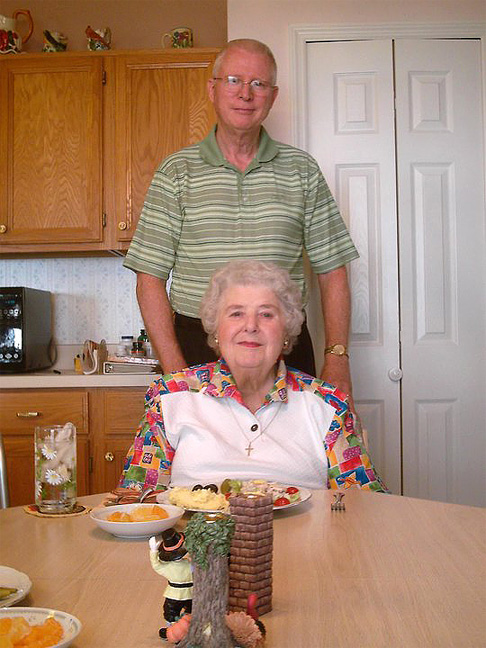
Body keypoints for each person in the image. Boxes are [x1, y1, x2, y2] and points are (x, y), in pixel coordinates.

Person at [123, 38, 358, 397]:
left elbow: (333, 271)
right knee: (203, 455)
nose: (245, 94)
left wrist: (337, 358)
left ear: (273, 96)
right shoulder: (175, 172)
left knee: (296, 454)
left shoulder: (302, 170)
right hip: (196, 350)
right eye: (233, 80)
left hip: (285, 350)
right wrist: (175, 373)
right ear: (213, 90)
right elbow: (150, 279)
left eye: (258, 84)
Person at [119, 261, 386, 493]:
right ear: (216, 329)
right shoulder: (170, 396)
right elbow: (136, 500)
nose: (250, 326)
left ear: (287, 331)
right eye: (236, 313)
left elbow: (364, 502)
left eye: (266, 314)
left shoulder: (329, 404)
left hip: (306, 546)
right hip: (195, 546)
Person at [148, 528, 193, 640]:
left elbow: (156, 565)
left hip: (178, 594)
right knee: (174, 612)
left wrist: (153, 552)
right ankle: (174, 631)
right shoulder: (190, 564)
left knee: (172, 612)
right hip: (187, 593)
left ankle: (181, 629)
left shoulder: (170, 567)